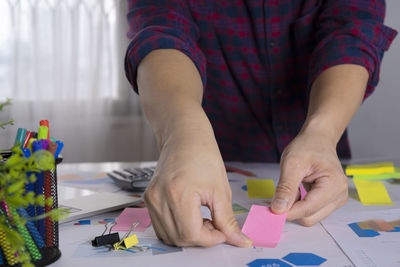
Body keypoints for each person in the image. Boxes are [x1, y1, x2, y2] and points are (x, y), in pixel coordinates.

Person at [124, 0, 397, 247]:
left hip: (321, 167)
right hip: (209, 168)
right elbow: (160, 34)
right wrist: (182, 132)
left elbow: (351, 37)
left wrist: (323, 132)